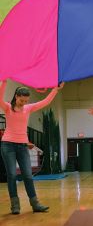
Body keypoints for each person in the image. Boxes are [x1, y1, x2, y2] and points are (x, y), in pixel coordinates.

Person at [0, 80, 64, 214]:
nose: (24, 103)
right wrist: (4, 81)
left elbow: (45, 102)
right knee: (12, 175)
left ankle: (35, 204)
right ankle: (15, 205)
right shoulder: (7, 108)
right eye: (21, 100)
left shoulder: (28, 108)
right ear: (16, 96)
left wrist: (55, 90)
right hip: (8, 145)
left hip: (22, 146)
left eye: (26, 101)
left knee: (28, 176)